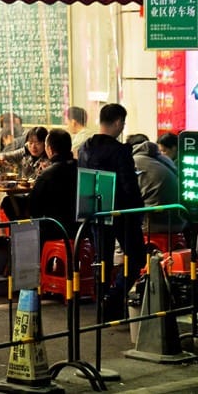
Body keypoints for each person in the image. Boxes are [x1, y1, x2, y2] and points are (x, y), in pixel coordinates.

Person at [77, 102, 144, 315]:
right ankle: (114, 298)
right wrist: (138, 211)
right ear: (117, 122)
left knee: (102, 259)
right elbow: (129, 185)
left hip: (94, 210)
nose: (122, 127)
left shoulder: (84, 148)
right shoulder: (120, 151)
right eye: (122, 123)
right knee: (136, 258)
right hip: (122, 213)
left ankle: (103, 304)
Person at [29, 129, 79, 241]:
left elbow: (34, 208)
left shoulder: (47, 174)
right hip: (80, 229)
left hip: (54, 230)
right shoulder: (81, 168)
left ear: (50, 149)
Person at [129, 133, 183, 235]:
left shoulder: (133, 161)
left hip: (154, 223)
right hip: (180, 221)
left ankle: (120, 251)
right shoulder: (165, 159)